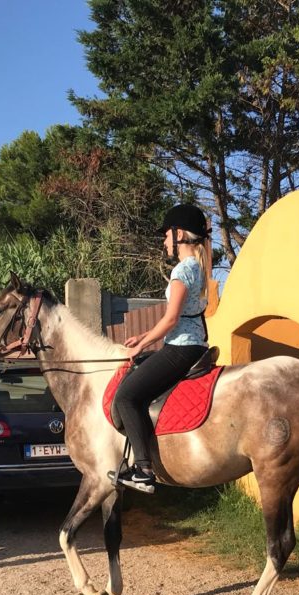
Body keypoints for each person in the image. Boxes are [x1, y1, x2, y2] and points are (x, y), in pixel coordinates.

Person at [110, 203, 212, 493]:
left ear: (180, 234)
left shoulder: (183, 270)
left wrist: (141, 343)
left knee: (127, 397)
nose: (165, 240)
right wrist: (143, 334)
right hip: (191, 344)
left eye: (167, 234)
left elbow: (170, 319)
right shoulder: (199, 267)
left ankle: (143, 470)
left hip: (181, 348)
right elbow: (181, 317)